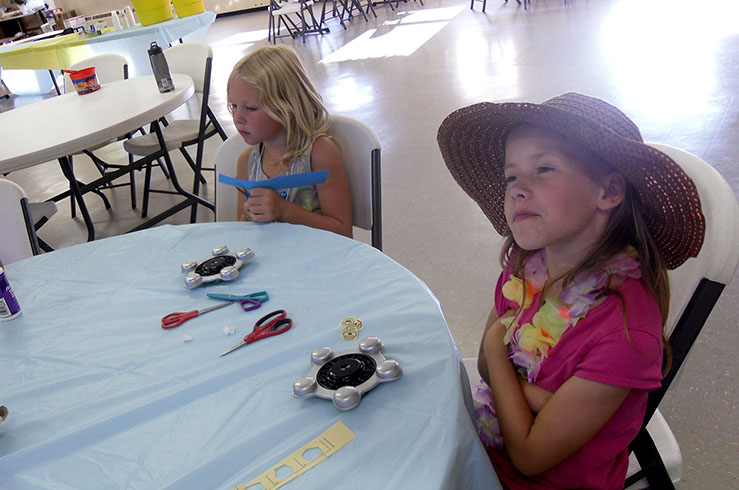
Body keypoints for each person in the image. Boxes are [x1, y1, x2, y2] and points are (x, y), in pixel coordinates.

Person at [437, 93, 705, 489]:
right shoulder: (525, 268)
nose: (517, 190)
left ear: (609, 192)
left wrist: (496, 344)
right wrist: (537, 399)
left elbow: (530, 456)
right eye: (512, 175)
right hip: (487, 449)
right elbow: (483, 372)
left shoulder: (626, 332)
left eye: (544, 168)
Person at [226, 46, 353, 237]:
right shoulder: (246, 163)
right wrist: (247, 215)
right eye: (233, 106)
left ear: (288, 107)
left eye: (251, 108)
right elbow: (243, 232)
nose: (238, 117)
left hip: (321, 260)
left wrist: (285, 211)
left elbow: (342, 231)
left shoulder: (319, 154)